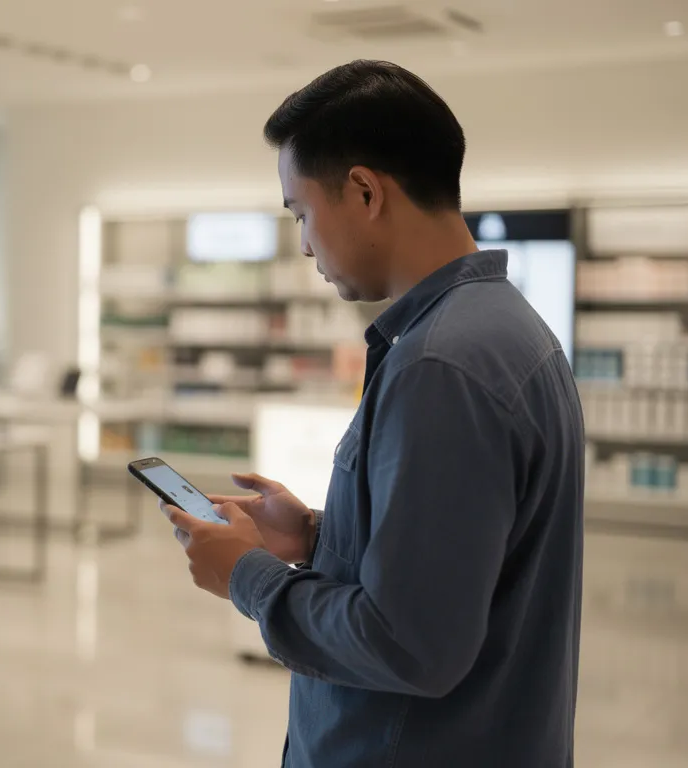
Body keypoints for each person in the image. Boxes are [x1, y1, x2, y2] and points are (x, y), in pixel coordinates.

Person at [162, 60, 584, 767]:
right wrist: (322, 535)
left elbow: (411, 645)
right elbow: (464, 559)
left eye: (301, 212)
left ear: (363, 192)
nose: (302, 243)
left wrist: (248, 576)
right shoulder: (506, 329)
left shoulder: (441, 366)